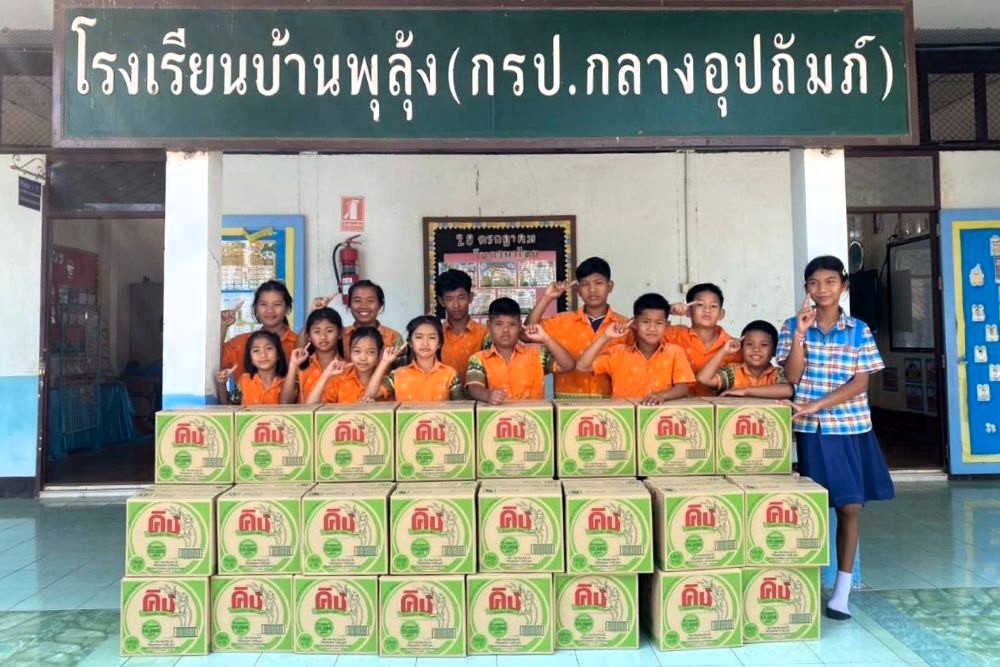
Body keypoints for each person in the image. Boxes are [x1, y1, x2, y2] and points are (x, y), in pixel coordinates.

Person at [776, 255, 895, 622]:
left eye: (830, 281)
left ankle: (841, 590)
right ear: (806, 288)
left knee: (850, 506)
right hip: (810, 431)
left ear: (844, 286)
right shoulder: (792, 326)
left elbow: (860, 382)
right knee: (811, 508)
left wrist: (817, 404)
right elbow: (791, 375)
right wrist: (800, 334)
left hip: (850, 427)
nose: (822, 289)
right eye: (814, 282)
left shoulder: (859, 329)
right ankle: (801, 585)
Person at [525, 257, 631, 399]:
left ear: (610, 286)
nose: (592, 289)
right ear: (578, 290)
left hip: (611, 406)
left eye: (598, 283)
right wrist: (547, 297)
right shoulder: (561, 322)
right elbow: (527, 333)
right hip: (567, 406)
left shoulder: (624, 326)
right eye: (585, 284)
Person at [575, 293, 694, 404]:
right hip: (624, 416)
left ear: (667, 326)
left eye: (659, 323)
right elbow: (582, 366)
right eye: (646, 322)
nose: (652, 328)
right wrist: (606, 336)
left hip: (659, 417)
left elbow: (683, 387)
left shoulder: (674, 352)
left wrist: (661, 395)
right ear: (634, 324)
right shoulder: (618, 353)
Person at [465, 297, 574, 404]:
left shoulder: (537, 354)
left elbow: (568, 365)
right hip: (497, 416)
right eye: (498, 324)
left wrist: (546, 339)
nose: (505, 330)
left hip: (533, 415)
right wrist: (488, 395)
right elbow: (474, 387)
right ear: (489, 326)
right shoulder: (479, 359)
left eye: (512, 324)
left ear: (520, 326)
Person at [666, 282, 743, 396]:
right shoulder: (674, 335)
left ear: (721, 314)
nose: (707, 310)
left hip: (718, 405)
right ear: (688, 311)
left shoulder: (733, 347)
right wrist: (667, 309)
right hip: (676, 404)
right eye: (700, 304)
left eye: (713, 306)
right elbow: (640, 329)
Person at [365, 316, 463, 401]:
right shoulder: (398, 375)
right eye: (419, 337)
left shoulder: (450, 375)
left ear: (439, 343)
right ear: (410, 343)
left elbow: (461, 408)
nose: (425, 343)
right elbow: (370, 395)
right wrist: (384, 362)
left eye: (432, 337)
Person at [221, 280, 298, 380]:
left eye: (277, 304)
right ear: (256, 308)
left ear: (287, 309)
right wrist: (223, 326)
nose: (270, 310)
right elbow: (214, 363)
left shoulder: (298, 343)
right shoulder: (241, 343)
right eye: (263, 304)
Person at [696, 320, 794, 398]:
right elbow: (703, 378)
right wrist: (724, 351)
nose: (756, 349)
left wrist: (745, 391)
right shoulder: (733, 372)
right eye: (749, 344)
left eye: (764, 344)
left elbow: (788, 390)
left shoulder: (777, 373)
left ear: (774, 351)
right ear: (741, 348)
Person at [435, 269, 489, 382]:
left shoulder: (484, 334)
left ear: (470, 297)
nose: (456, 305)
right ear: (441, 301)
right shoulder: (435, 335)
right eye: (449, 298)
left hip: (477, 393)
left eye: (461, 297)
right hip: (442, 392)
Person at [281, 307, 344, 404]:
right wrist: (293, 366)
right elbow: (285, 403)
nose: (323, 337)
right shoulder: (302, 367)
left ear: (340, 333)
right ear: (309, 336)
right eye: (317, 332)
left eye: (329, 331)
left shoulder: (348, 368)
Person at [304, 325, 379, 404]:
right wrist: (326, 374)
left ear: (379, 354)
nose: (363, 358)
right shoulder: (340, 381)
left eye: (371, 352)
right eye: (357, 351)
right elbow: (310, 406)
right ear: (349, 352)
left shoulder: (385, 381)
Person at [215, 330, 289, 405]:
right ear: (250, 359)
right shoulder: (244, 380)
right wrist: (221, 384)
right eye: (256, 350)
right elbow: (230, 406)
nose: (263, 355)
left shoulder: (288, 382)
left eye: (268, 348)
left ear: (278, 354)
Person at [341, 280, 405, 353]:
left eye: (370, 301)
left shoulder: (394, 337)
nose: (363, 306)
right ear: (349, 304)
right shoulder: (340, 336)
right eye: (357, 300)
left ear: (380, 305)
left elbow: (403, 360)